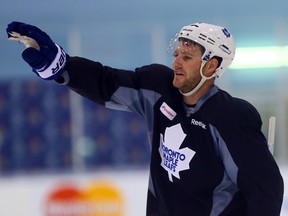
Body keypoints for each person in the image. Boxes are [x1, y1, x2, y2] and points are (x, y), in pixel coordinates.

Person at [6, 21, 284, 216]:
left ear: (211, 65)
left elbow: (265, 190)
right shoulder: (158, 89)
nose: (176, 62)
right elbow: (106, 82)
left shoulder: (230, 116)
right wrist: (60, 65)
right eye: (177, 54)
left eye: (187, 57)